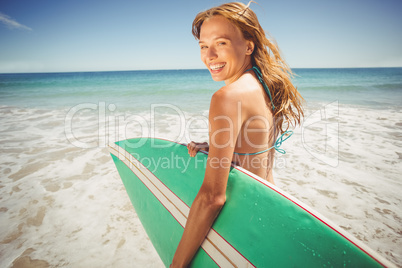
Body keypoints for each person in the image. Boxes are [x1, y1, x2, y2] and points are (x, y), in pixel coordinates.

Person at [170, 2, 304, 267]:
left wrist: (176, 265)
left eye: (220, 43)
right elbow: (256, 145)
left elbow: (212, 198)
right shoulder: (265, 85)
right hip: (269, 209)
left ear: (248, 46)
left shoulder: (226, 97)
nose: (209, 55)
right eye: (202, 46)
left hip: (244, 224)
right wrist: (219, 146)